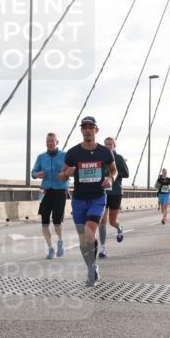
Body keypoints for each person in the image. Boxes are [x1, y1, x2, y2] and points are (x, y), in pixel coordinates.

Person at [60, 116, 116, 285]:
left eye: (91, 127)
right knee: (83, 240)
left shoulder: (105, 152)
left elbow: (114, 170)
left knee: (90, 233)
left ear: (96, 130)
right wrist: (67, 174)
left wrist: (111, 179)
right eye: (84, 127)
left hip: (97, 198)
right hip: (78, 200)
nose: (87, 129)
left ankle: (92, 269)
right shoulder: (73, 153)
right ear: (81, 130)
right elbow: (62, 175)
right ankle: (91, 267)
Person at [31, 132, 68, 259]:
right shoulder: (41, 157)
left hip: (60, 190)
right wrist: (38, 174)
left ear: (57, 142)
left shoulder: (65, 155)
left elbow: (71, 170)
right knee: (44, 222)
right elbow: (33, 172)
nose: (49, 143)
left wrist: (64, 174)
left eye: (52, 141)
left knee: (57, 221)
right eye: (47, 141)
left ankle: (60, 241)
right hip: (45, 191)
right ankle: (50, 249)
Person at [98, 136, 129, 258]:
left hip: (115, 192)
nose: (108, 146)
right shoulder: (100, 158)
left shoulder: (119, 158)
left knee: (112, 221)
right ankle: (102, 248)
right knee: (102, 220)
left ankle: (119, 227)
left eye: (110, 144)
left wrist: (113, 173)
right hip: (103, 192)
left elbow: (126, 174)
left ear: (114, 146)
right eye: (106, 144)